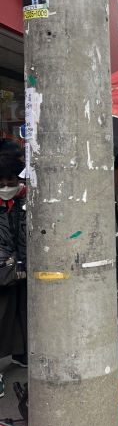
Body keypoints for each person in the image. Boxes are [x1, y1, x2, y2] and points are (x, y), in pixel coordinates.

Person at [0, 153, 28, 367]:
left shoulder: (30, 199)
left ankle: (22, 353)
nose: (6, 185)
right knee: (3, 313)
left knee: (24, 312)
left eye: (10, 180)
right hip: (2, 268)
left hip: (27, 266)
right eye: (0, 182)